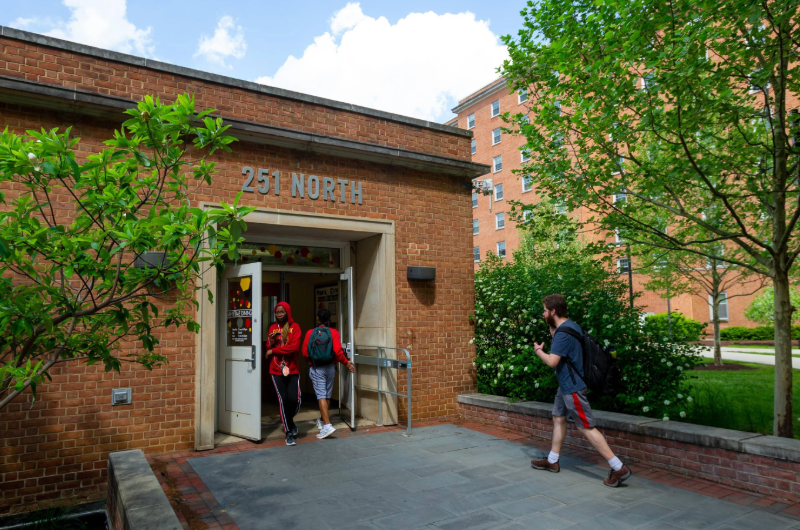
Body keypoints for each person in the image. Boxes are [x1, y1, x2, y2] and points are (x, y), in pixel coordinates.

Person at [529, 294, 632, 488]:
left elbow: (552, 361)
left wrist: (539, 351)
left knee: (586, 427)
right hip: (567, 384)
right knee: (558, 417)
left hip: (573, 387)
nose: (542, 314)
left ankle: (618, 467)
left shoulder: (563, 334)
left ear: (553, 311)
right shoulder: (570, 326)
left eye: (544, 311)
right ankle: (552, 460)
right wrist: (552, 328)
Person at [302, 308, 355, 439]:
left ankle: (327, 425)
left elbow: (304, 352)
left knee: (321, 396)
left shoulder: (310, 332)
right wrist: (346, 362)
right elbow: (338, 351)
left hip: (317, 368)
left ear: (318, 319)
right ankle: (322, 420)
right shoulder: (334, 332)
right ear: (329, 319)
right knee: (327, 396)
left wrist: (310, 363)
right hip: (330, 367)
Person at [266, 302, 302, 446]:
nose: (279, 314)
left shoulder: (295, 327)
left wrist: (273, 350)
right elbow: (268, 347)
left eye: (282, 312)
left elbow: (293, 347)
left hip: (292, 368)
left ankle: (289, 420)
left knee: (295, 400)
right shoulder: (273, 328)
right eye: (277, 312)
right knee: (283, 400)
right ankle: (288, 433)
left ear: (287, 312)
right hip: (275, 369)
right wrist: (271, 342)